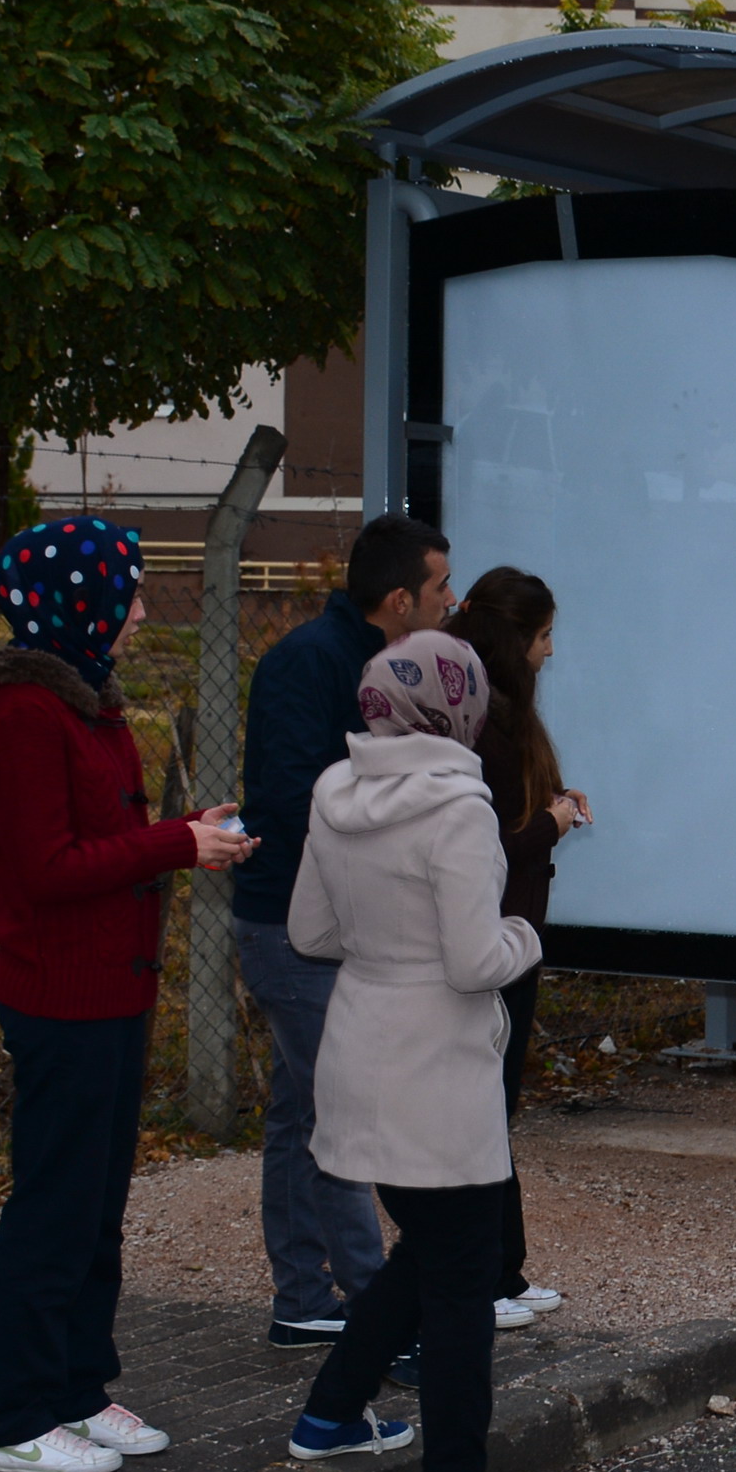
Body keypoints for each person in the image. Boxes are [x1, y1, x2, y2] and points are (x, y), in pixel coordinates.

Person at [0, 516, 253, 1472]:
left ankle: (76, 1390)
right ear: (73, 600)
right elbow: (42, 867)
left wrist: (183, 828)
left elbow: (95, 842)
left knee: (95, 1209)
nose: (134, 615)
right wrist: (177, 846)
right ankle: (11, 1417)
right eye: (123, 596)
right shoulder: (19, 716)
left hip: (112, 992)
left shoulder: (84, 703)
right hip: (59, 997)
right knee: (54, 1205)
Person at [285, 631, 546, 1472]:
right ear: (460, 708)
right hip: (439, 1067)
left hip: (360, 1050)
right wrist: (527, 933)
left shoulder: (335, 793)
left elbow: (310, 932)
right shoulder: (460, 809)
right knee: (463, 1278)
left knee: (427, 1250)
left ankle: (330, 1414)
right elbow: (479, 960)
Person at [235, 514, 456, 1351]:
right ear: (400, 599)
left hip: (333, 928)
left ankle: (303, 1295)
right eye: (440, 586)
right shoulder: (308, 664)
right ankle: (380, 1313)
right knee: (346, 1114)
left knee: (304, 1111)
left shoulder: (383, 665)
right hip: (293, 929)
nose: (450, 598)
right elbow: (296, 799)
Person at [445, 565, 590, 1317]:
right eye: (542, 636)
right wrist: (554, 823)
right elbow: (492, 843)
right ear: (512, 640)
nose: (551, 651)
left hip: (515, 935)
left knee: (493, 1106)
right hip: (490, 937)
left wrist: (557, 803)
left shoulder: (504, 716)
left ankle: (503, 1268)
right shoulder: (478, 726)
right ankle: (478, 1278)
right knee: (479, 1107)